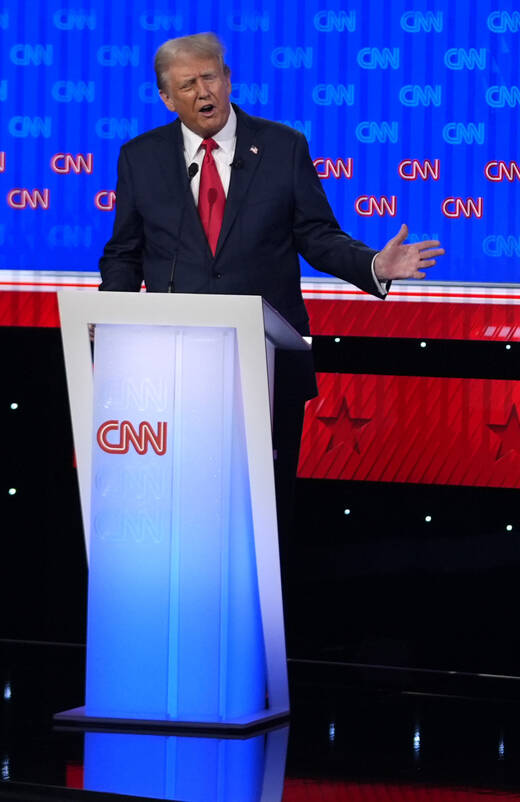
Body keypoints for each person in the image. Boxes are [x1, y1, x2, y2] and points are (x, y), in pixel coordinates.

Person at [97, 32, 444, 559]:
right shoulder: (140, 158)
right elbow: (124, 252)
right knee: (182, 516)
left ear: (228, 78)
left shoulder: (282, 147)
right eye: (187, 85)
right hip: (173, 370)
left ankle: (262, 628)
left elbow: (317, 235)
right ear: (167, 98)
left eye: (210, 77)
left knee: (262, 519)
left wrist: (374, 263)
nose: (203, 91)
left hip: (267, 365)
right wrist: (111, 321)